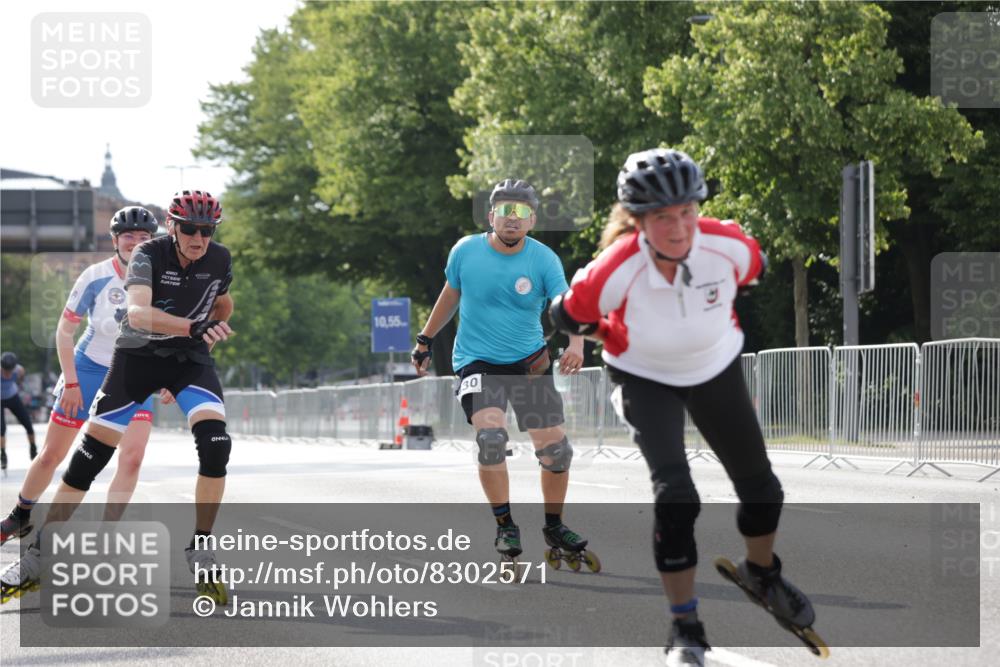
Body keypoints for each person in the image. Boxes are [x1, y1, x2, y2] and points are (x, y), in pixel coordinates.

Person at [548, 148, 816, 666]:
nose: (678, 228)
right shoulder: (615, 267)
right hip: (644, 377)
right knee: (676, 496)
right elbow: (567, 315)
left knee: (762, 488)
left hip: (715, 368)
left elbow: (751, 273)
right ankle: (685, 629)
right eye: (662, 218)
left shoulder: (729, 246)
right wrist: (605, 331)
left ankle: (762, 574)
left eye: (687, 212)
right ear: (637, 221)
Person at [0, 190, 235, 606]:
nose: (200, 239)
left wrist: (209, 334)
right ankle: (37, 555)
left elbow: (223, 304)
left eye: (208, 231)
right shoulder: (147, 255)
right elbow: (138, 314)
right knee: (86, 462)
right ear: (173, 227)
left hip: (188, 360)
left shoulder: (219, 258)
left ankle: (201, 545)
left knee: (216, 445)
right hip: (136, 360)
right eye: (191, 230)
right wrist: (193, 327)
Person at [411, 178, 594, 568]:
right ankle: (505, 525)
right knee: (491, 438)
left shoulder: (543, 259)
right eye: (506, 210)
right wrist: (425, 339)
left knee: (556, 451)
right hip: (478, 362)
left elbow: (567, 304)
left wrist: (576, 344)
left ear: (533, 220)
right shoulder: (465, 251)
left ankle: (554, 526)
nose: (513, 218)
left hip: (529, 363)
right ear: (491, 215)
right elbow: (450, 294)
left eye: (522, 212)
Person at [0, 207, 162, 548]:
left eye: (144, 237)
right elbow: (64, 332)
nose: (135, 242)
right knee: (52, 455)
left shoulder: (162, 278)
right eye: (128, 235)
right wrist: (71, 383)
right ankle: (19, 515)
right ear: (115, 240)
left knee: (132, 457)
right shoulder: (95, 275)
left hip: (133, 374)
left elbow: (166, 334)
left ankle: (107, 536)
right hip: (87, 369)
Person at [1, 352, 37, 470]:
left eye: (10, 371)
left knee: (28, 424)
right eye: (5, 371)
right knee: (1, 429)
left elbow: (20, 381)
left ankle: (33, 449)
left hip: (12, 397)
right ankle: (3, 454)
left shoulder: (19, 370)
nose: (8, 374)